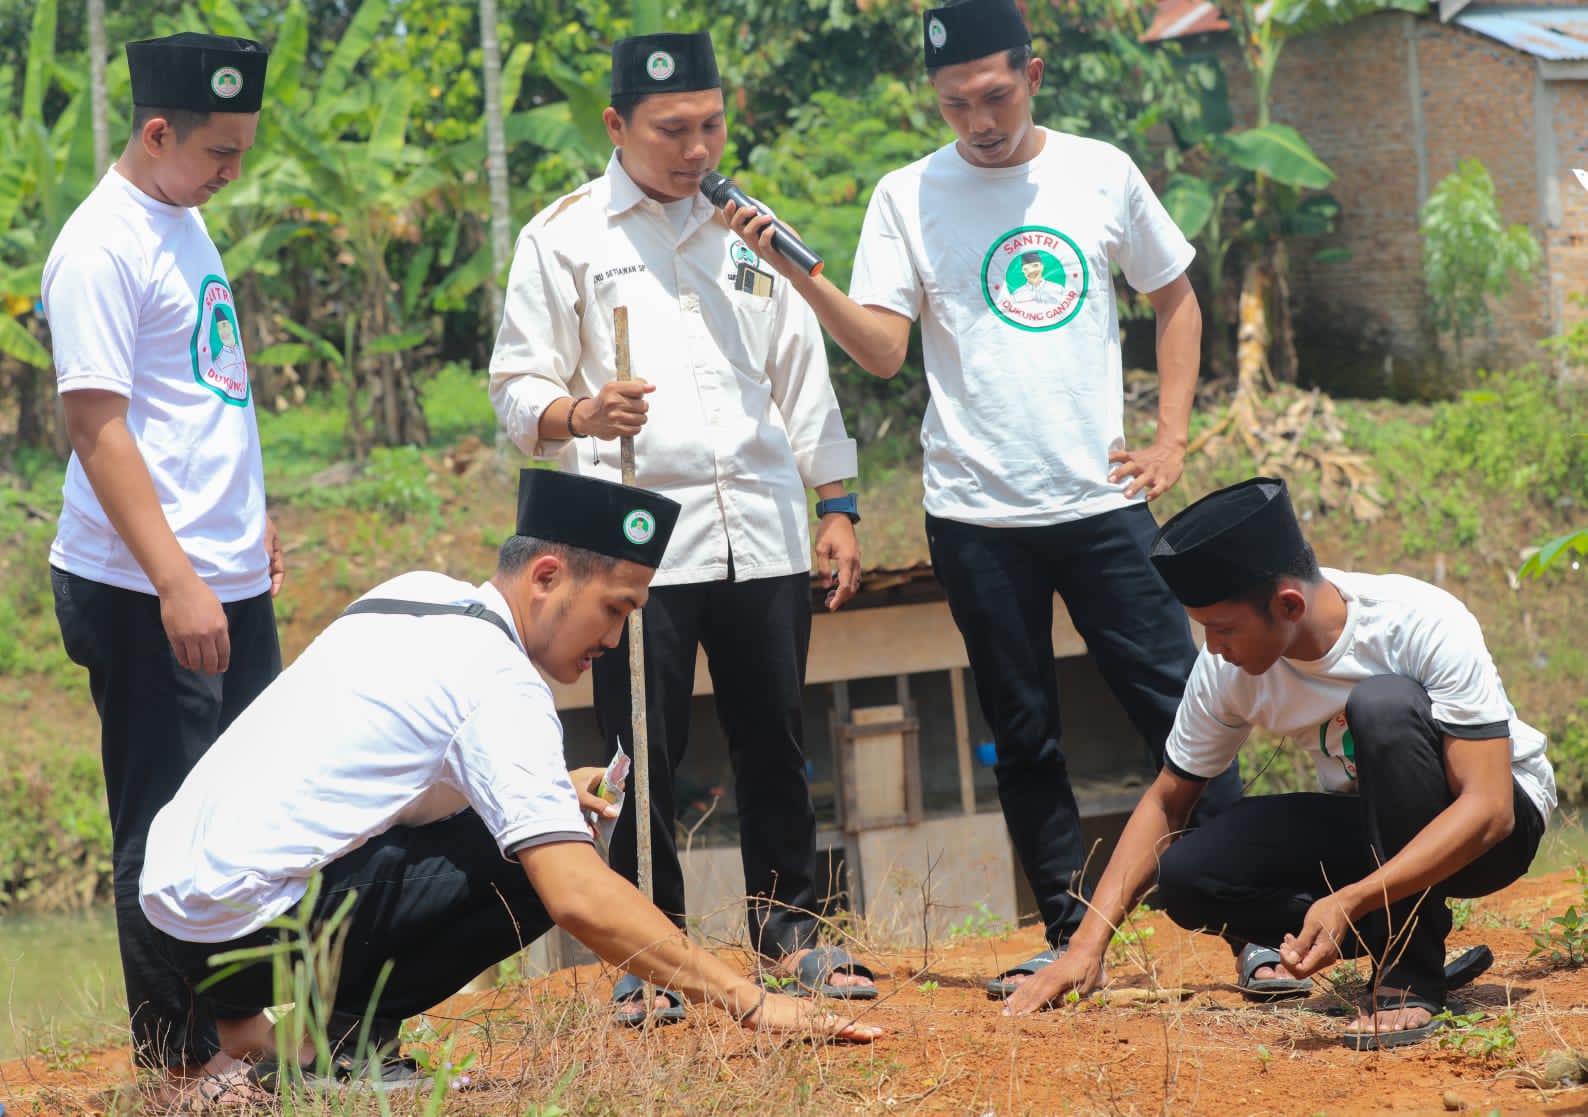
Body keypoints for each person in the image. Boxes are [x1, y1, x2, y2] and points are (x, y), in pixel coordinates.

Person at [724, 0, 1241, 997]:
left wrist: (1171, 436)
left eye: (996, 95)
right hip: (973, 518)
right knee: (1024, 731)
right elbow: (880, 350)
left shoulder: (1099, 172)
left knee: (1186, 713)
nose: (979, 119)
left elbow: (1172, 295)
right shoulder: (906, 196)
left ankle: (1255, 925)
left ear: (1033, 75)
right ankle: (1065, 939)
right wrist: (798, 269)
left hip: (1100, 504)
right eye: (956, 102)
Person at [138, 470, 882, 1097]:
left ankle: (252, 1035)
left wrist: (551, 781)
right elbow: (577, 896)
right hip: (243, 926)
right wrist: (751, 1002)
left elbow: (387, 768)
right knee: (541, 867)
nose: (616, 639)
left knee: (540, 818)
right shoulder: (499, 681)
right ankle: (333, 1049)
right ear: (548, 577)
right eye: (614, 609)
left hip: (177, 913)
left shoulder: (418, 593)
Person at [489, 30, 876, 1023]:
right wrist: (580, 413)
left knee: (775, 739)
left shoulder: (751, 230)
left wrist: (835, 505)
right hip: (631, 544)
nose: (696, 148)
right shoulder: (565, 235)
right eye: (672, 130)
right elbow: (514, 385)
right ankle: (648, 949)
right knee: (638, 754)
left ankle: (789, 929)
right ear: (618, 126)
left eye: (710, 124)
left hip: (758, 522)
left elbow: (802, 379)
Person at [1003, 476, 1556, 1049]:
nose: (1214, 646)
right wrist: (1085, 949)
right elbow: (1169, 800)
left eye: (1222, 628)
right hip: (1376, 826)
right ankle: (1405, 921)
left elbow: (1490, 810)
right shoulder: (1228, 669)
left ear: (1288, 604)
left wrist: (1354, 896)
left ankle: (1407, 974)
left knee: (1383, 705)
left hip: (1494, 830)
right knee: (1189, 876)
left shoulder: (1417, 621)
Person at [42, 31, 284, 1108]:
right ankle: (177, 1061)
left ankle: (244, 1035)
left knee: (245, 809)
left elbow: (210, 389)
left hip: (227, 569)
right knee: (164, 821)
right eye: (219, 150)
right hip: (147, 587)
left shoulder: (181, 222)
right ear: (155, 134)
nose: (233, 169)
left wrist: (250, 525)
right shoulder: (102, 246)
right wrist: (179, 578)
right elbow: (100, 430)